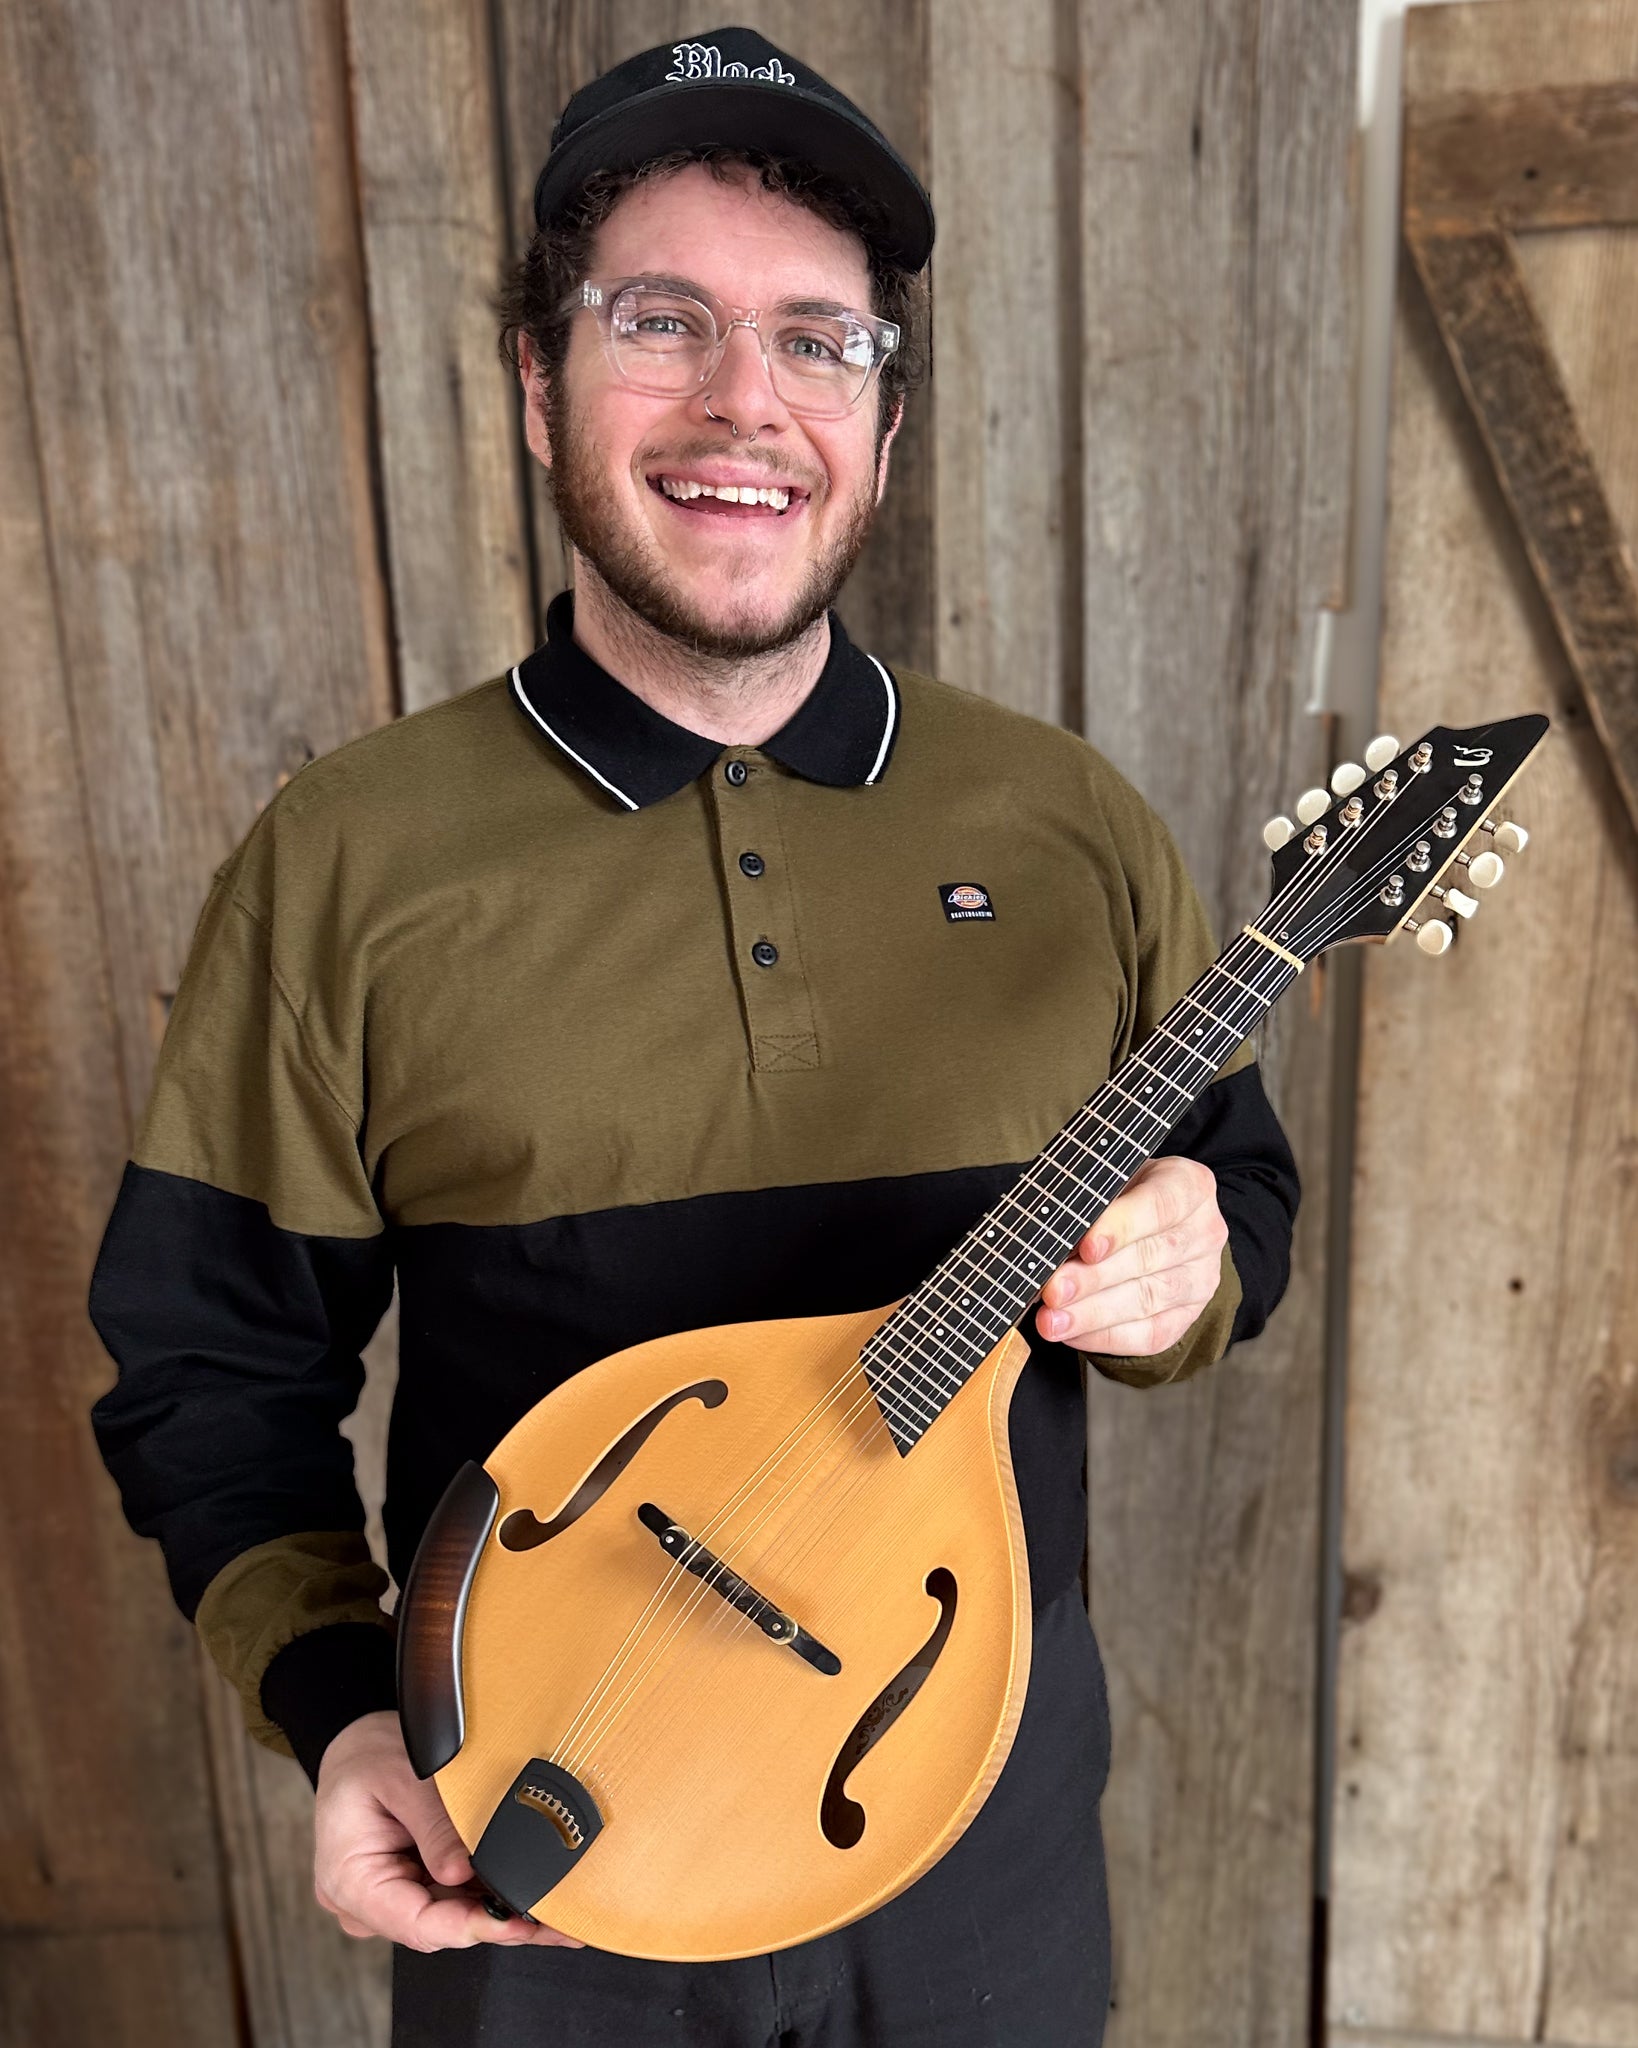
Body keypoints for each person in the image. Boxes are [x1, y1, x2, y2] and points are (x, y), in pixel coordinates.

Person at [88, 25, 1299, 2047]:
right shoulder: (351, 856)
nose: (750, 401)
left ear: (886, 427)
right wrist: (343, 1715)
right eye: (667, 321)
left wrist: (1196, 1254)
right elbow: (212, 1361)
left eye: (821, 341)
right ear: (544, 379)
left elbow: (1236, 1187)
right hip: (560, 1822)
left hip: (977, 1778)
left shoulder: (1066, 823)